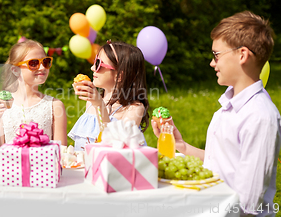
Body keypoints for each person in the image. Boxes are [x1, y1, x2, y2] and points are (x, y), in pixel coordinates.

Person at [152, 11, 280, 216]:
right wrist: (181, 146)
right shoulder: (226, 107)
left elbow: (249, 202)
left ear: (242, 55)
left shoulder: (260, 116)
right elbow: (220, 162)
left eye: (216, 55)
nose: (212, 63)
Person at [69, 40, 150, 151]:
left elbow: (116, 147)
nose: (92, 68)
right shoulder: (91, 103)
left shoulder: (134, 109)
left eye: (98, 64)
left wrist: (99, 105)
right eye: (94, 62)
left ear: (119, 75)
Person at [0, 40, 68, 148]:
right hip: (12, 164)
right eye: (33, 63)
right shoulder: (2, 104)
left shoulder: (55, 105)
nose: (42, 67)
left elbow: (61, 152)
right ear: (15, 70)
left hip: (43, 164)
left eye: (45, 61)